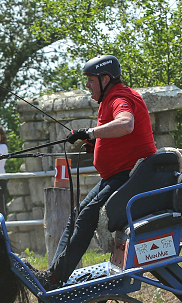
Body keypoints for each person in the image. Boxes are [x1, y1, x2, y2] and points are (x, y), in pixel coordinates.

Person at [36, 54, 158, 290]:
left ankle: (55, 278)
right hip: (115, 176)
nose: (87, 85)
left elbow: (126, 124)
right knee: (77, 214)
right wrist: (94, 143)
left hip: (130, 175)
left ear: (105, 78)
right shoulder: (108, 99)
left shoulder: (119, 98)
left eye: (90, 80)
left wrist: (90, 132)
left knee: (88, 215)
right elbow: (120, 136)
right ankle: (54, 274)